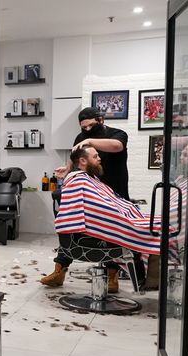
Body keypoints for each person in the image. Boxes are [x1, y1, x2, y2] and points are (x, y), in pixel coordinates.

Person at [42, 107, 141, 291]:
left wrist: (89, 140)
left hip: (113, 193)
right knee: (71, 226)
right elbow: (77, 157)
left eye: (90, 126)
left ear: (100, 120)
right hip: (91, 195)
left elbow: (117, 146)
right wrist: (67, 167)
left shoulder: (117, 134)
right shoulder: (81, 139)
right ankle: (59, 270)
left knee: (112, 232)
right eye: (83, 128)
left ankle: (112, 277)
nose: (86, 130)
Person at [54, 144, 160, 261]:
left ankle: (150, 274)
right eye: (95, 156)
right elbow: (101, 207)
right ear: (83, 161)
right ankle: (153, 273)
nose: (99, 159)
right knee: (156, 230)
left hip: (124, 217)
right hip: (98, 231)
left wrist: (126, 209)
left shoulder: (88, 178)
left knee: (157, 225)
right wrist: (125, 214)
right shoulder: (79, 181)